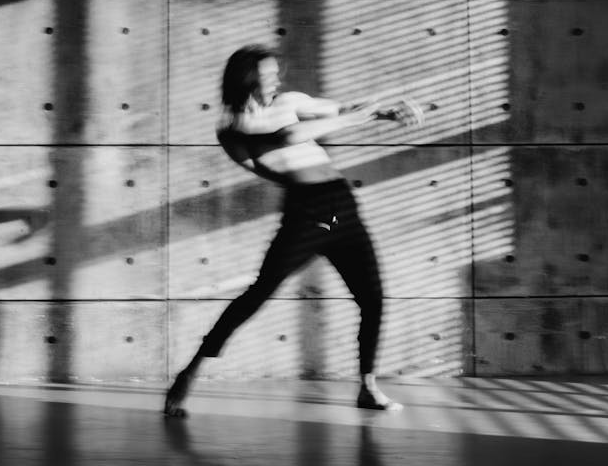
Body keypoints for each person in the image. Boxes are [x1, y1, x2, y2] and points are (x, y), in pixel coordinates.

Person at [163, 44, 424, 418]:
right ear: (245, 80)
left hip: (340, 207)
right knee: (260, 292)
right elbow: (287, 139)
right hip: (308, 210)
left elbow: (339, 109)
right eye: (266, 75)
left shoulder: (289, 102)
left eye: (275, 74)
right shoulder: (234, 127)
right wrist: (362, 118)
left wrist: (385, 107)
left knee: (373, 298)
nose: (275, 80)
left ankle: (367, 386)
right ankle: (190, 372)